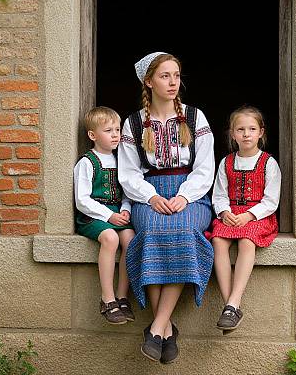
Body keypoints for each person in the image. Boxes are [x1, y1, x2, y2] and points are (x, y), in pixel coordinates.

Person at [118, 52, 214, 364]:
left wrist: (185, 196)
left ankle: (157, 326)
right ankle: (167, 329)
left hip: (191, 195)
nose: (173, 82)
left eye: (176, 75)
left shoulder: (195, 117)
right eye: (164, 76)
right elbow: (128, 173)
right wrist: (150, 197)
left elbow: (204, 168)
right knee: (154, 231)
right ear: (149, 81)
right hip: (149, 195)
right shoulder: (133, 123)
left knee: (184, 229)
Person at [206, 106, 281, 333]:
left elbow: (271, 200)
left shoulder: (268, 163)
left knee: (247, 241)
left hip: (258, 215)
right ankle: (231, 308)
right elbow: (219, 194)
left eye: (251, 129)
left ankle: (232, 302)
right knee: (218, 240)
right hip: (231, 214)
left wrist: (249, 215)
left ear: (261, 132)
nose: (246, 134)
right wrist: (224, 212)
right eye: (241, 129)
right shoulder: (226, 162)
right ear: (232, 134)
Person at [74, 106, 136, 325]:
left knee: (130, 239)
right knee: (111, 238)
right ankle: (107, 299)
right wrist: (109, 216)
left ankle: (122, 296)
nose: (115, 135)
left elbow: (127, 191)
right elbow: (82, 200)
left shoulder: (122, 161)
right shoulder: (87, 162)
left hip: (117, 213)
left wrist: (126, 208)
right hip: (93, 216)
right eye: (109, 130)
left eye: (117, 130)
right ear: (93, 135)